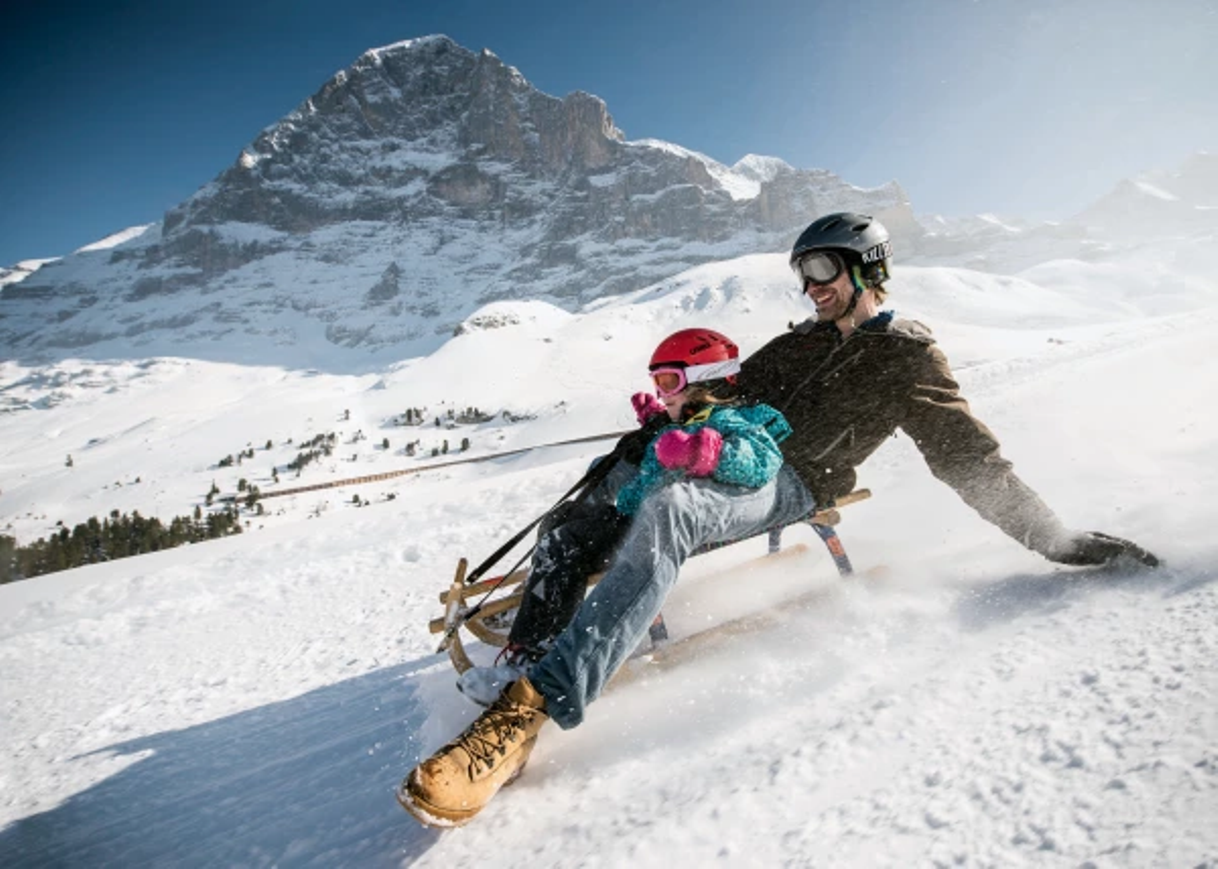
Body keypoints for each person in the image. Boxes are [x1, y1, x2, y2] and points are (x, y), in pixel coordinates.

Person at [397, 212, 1158, 828]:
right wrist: (661, 425)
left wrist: (1055, 540)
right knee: (581, 514)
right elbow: (723, 393)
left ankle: (527, 712)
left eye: (823, 269)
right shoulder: (799, 341)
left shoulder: (908, 358)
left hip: (790, 480)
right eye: (804, 274)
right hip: (726, 449)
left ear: (867, 269)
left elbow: (970, 460)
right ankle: (529, 649)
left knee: (670, 508)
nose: (812, 286)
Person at [398, 328, 793, 826]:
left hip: (686, 516)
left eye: (669, 382)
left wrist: (706, 452)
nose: (662, 393)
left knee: (611, 527)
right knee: (563, 533)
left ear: (705, 382)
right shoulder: (674, 422)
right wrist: (646, 442)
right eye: (657, 382)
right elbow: (648, 473)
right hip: (638, 512)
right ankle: (528, 650)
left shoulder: (735, 420)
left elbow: (762, 462)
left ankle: (543, 693)